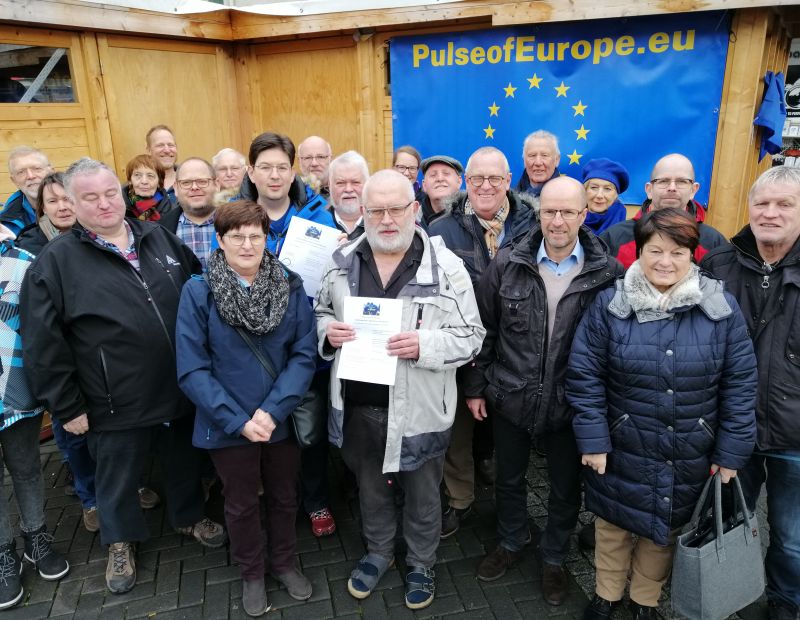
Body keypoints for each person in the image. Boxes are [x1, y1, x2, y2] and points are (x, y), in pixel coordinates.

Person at [20, 158, 226, 596]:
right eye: (90, 197)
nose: (104, 203)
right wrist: (67, 404)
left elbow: (199, 289)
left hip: (178, 386)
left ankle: (189, 516)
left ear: (124, 192)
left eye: (111, 192)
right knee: (116, 475)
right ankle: (119, 540)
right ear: (72, 204)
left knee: (181, 459)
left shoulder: (159, 237)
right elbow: (44, 343)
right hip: (111, 398)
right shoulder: (54, 264)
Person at [567, 207, 758, 620]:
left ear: (693, 254)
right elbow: (584, 374)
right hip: (622, 442)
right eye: (655, 251)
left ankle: (645, 600)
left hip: (690, 444)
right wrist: (594, 439)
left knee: (665, 529)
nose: (665, 262)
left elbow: (741, 384)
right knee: (613, 524)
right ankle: (607, 594)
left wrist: (730, 452)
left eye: (677, 252)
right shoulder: (611, 303)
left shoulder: (719, 307)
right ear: (639, 251)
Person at [315, 169, 484, 610]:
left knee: (424, 493)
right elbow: (319, 312)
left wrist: (424, 345)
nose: (386, 219)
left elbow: (471, 335)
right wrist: (327, 331)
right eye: (376, 210)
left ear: (414, 209)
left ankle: (422, 562)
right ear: (363, 212)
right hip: (359, 405)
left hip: (421, 410)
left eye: (396, 208)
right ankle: (378, 553)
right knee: (370, 487)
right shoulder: (342, 261)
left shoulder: (447, 269)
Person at [465, 176, 623, 605]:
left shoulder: (607, 273)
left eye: (568, 211)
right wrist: (477, 387)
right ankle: (512, 541)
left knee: (565, 488)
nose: (557, 220)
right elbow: (485, 329)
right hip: (510, 395)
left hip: (571, 404)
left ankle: (554, 557)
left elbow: (614, 347)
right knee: (510, 479)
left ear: (583, 215)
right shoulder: (510, 261)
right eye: (550, 211)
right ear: (540, 213)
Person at [176, 200, 317, 617]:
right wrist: (237, 421)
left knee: (283, 495)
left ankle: (284, 562)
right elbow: (192, 367)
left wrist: (272, 411)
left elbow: (304, 355)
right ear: (220, 240)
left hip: (280, 417)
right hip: (227, 422)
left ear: (266, 238)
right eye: (236, 235)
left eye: (255, 235)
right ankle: (252, 572)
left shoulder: (289, 285)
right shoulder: (198, 291)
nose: (247, 243)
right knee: (239, 503)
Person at [701, 166, 800, 620]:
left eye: (785, 205)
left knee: (792, 537)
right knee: (732, 523)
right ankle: (732, 593)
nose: (771, 213)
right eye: (762, 203)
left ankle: (785, 601)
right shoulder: (717, 266)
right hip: (732, 429)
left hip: (795, 435)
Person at [429, 146, 536, 539]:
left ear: (509, 181)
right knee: (457, 429)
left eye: (495, 178)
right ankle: (460, 498)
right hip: (459, 350)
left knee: (506, 427)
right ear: (466, 183)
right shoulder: (441, 229)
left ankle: (509, 502)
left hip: (515, 349)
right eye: (477, 179)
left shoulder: (534, 226)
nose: (486, 186)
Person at [0, 226, 70, 609]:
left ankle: (36, 538)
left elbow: (43, 328)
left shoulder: (24, 263)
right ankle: (3, 554)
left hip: (17, 391)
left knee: (26, 468)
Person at [600, 153, 727, 268]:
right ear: (649, 189)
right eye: (663, 181)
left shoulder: (713, 242)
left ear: (693, 190)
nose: (672, 188)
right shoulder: (614, 238)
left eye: (681, 181)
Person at [239, 132, 334, 255]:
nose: (274, 176)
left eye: (282, 168)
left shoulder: (319, 218)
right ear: (251, 173)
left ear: (292, 174)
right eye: (265, 167)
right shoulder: (230, 219)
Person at [160, 158, 219, 270]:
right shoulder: (159, 232)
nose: (194, 187)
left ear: (217, 185)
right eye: (186, 183)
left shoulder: (239, 223)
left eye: (202, 181)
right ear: (176, 188)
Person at [16, 172, 76, 255]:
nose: (62, 207)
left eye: (67, 199)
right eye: (52, 201)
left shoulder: (97, 233)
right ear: (43, 208)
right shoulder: (28, 245)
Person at [1, 146, 53, 236]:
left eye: (37, 169)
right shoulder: (5, 224)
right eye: (21, 172)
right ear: (14, 181)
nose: (30, 176)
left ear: (51, 171)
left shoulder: (77, 204)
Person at [581, 158, 629, 235]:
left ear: (616, 195)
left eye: (607, 189)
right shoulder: (570, 220)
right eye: (594, 187)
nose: (599, 195)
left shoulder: (627, 231)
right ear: (585, 190)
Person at [328, 150, 368, 240]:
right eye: (341, 183)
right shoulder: (316, 222)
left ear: (367, 184)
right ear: (329, 185)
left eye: (355, 182)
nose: (348, 189)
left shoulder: (380, 223)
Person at [122, 154, 174, 222]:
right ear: (130, 181)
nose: (144, 181)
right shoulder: (119, 208)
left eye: (150, 176)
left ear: (159, 182)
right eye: (137, 175)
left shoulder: (171, 211)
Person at [418, 155, 463, 229]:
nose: (440, 179)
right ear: (424, 185)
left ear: (459, 181)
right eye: (433, 175)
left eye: (446, 173)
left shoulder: (474, 217)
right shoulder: (412, 221)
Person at [517, 130, 560, 197]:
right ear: (524, 161)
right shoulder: (510, 200)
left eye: (544, 155)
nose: (538, 163)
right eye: (532, 155)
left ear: (557, 160)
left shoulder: (567, 196)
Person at [145, 124, 178, 198]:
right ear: (148, 150)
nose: (167, 150)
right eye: (160, 145)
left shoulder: (192, 180)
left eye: (171, 145)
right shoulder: (138, 185)